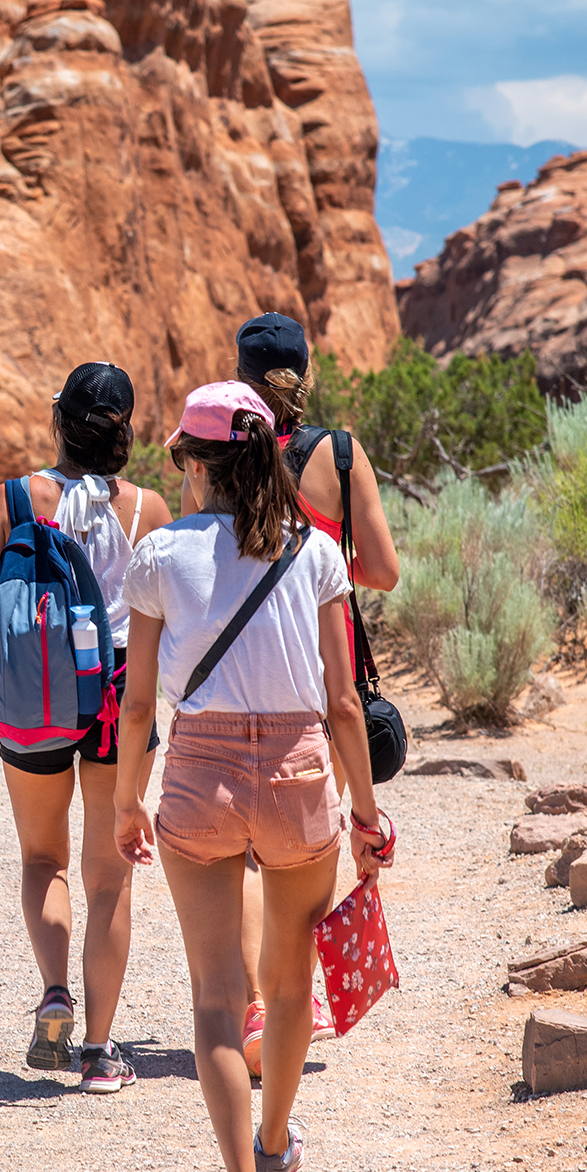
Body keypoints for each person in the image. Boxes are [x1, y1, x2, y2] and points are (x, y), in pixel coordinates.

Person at [114, 381, 394, 1172]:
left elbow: (137, 706)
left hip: (200, 778)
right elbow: (343, 702)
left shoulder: (160, 555)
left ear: (197, 465)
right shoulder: (317, 551)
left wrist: (126, 800)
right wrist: (366, 814)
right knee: (291, 977)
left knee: (216, 997)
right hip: (300, 776)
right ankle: (274, 1151)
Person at [0, 362, 172, 1094]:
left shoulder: (13, 500)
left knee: (45, 859)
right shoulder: (149, 510)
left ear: (59, 421)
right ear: (123, 432)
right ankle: (99, 1052)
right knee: (110, 875)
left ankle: (53, 994)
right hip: (117, 703)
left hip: (33, 695)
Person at [232, 313, 402, 1078]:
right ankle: (297, 999)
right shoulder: (339, 453)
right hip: (325, 662)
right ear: (307, 373)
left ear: (240, 377)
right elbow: (384, 569)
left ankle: (256, 1007)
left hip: (242, 665)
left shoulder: (228, 450)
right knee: (308, 839)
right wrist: (325, 561)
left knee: (244, 853)